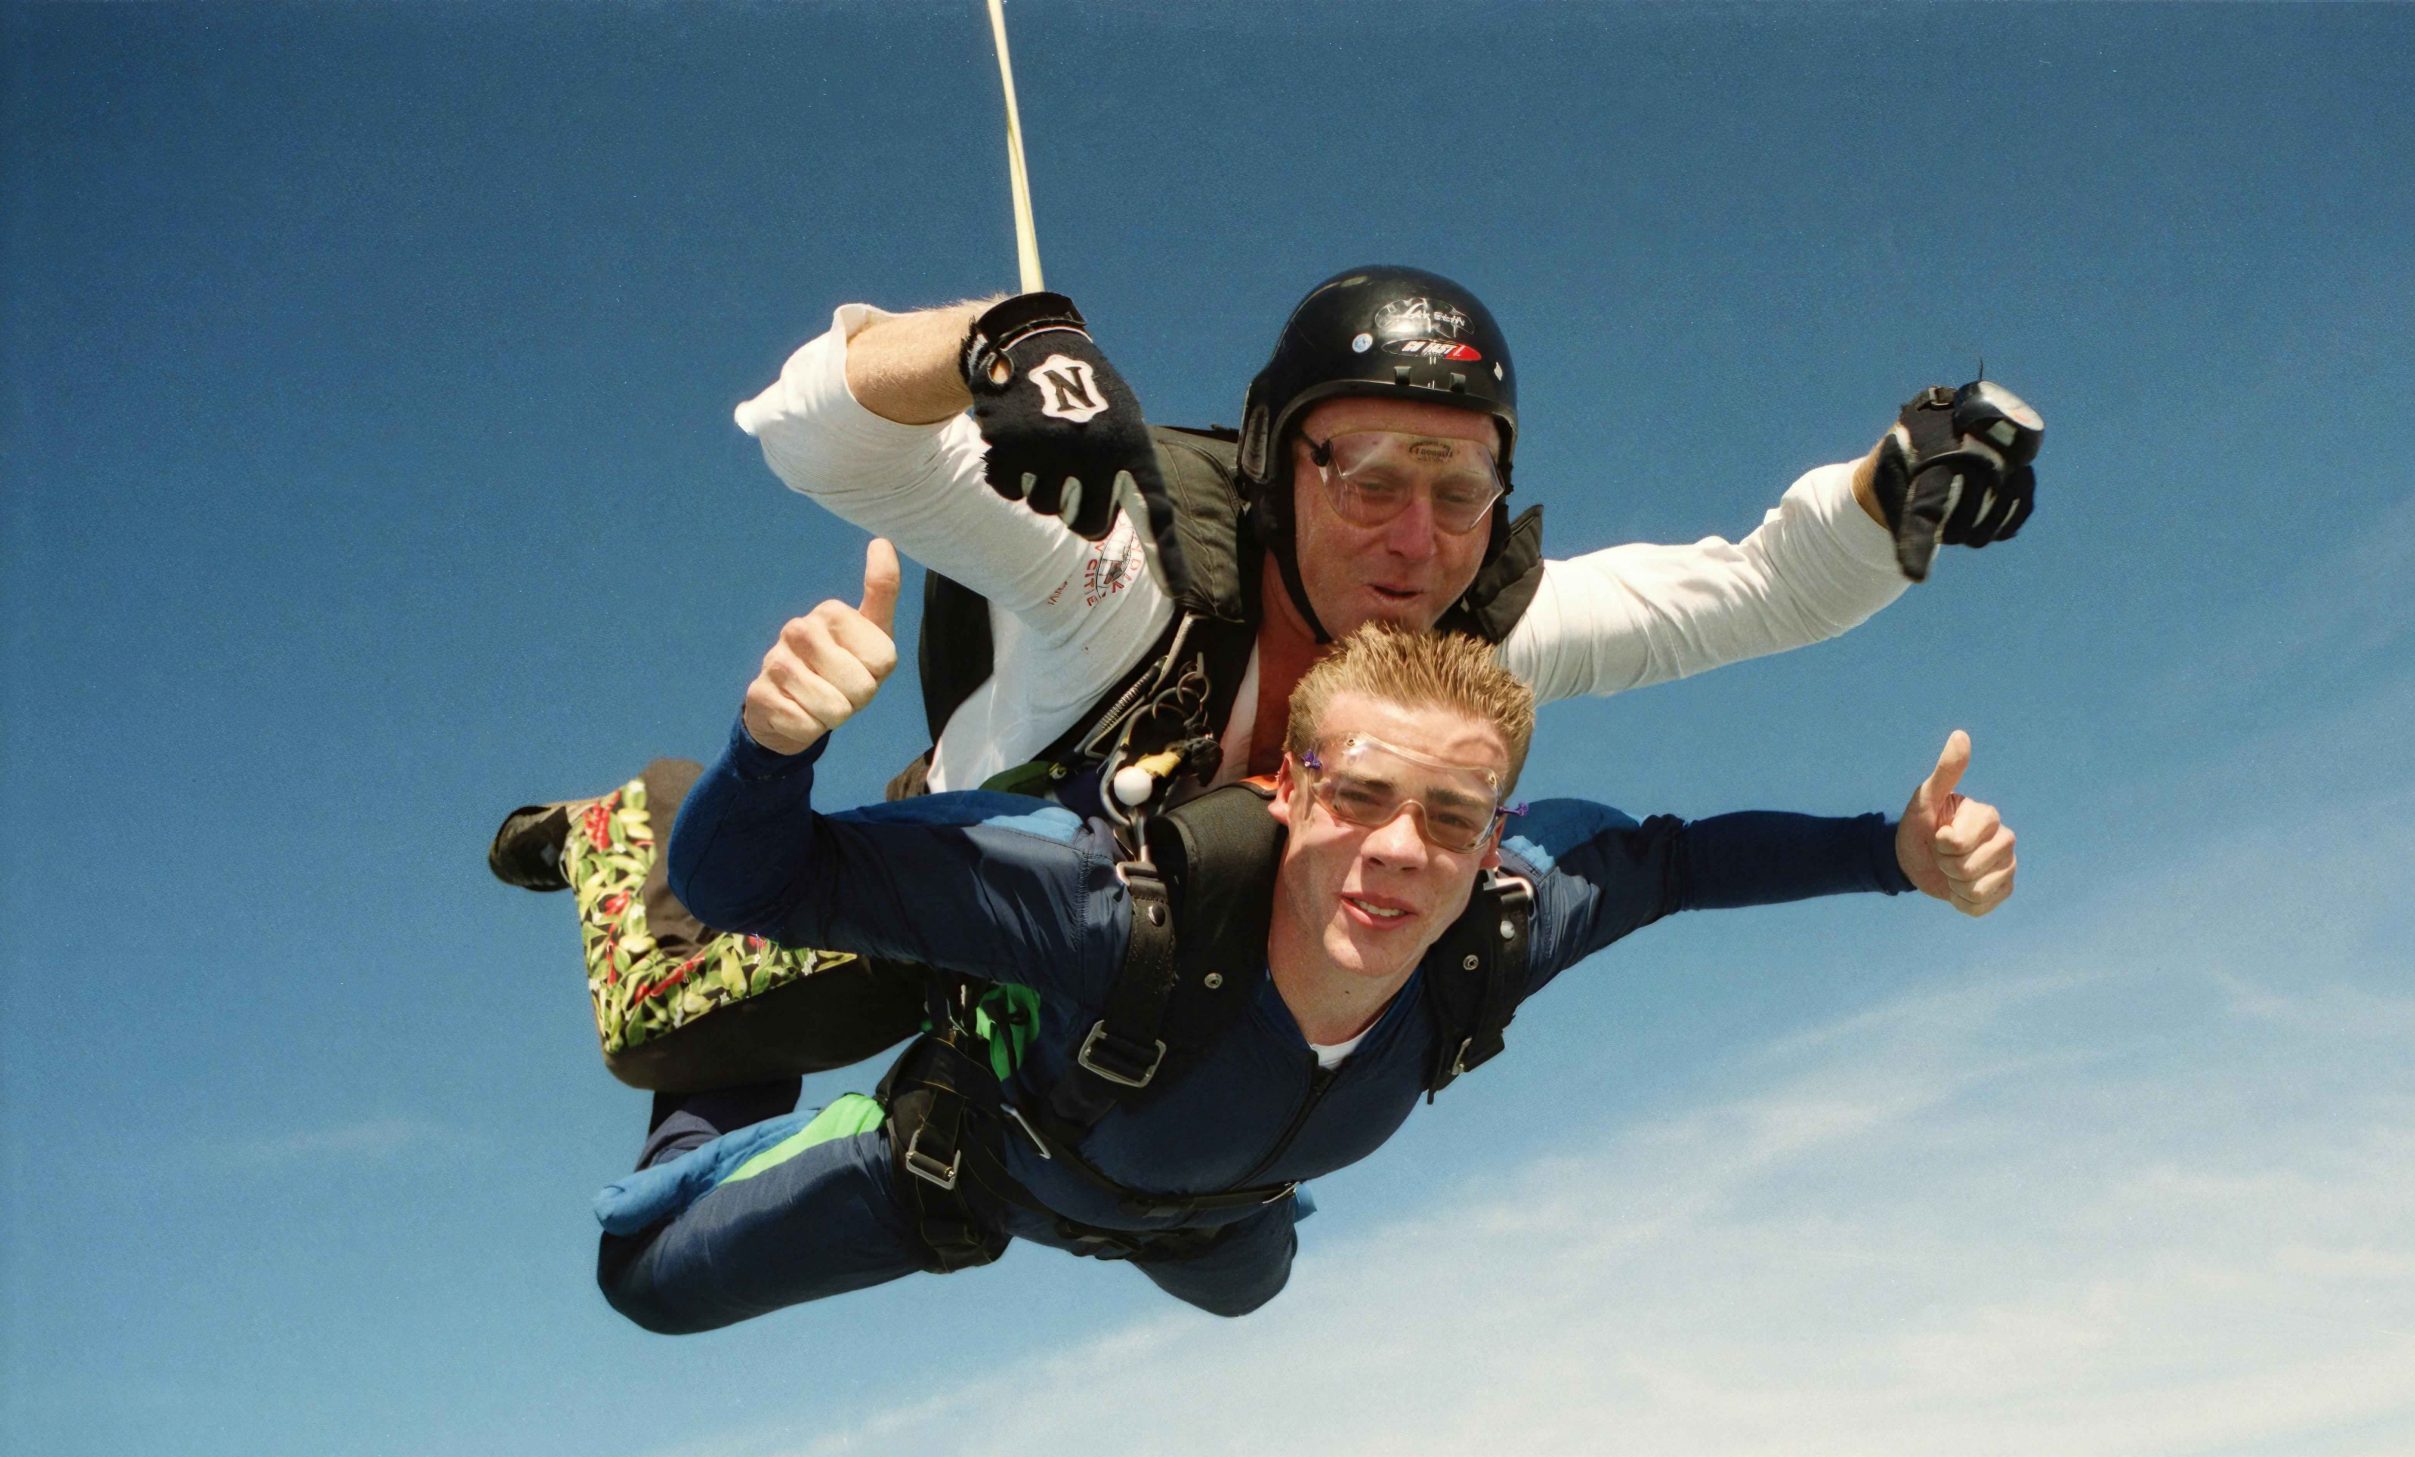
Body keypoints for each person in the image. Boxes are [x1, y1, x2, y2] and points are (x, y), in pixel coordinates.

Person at [497, 265, 2040, 1093]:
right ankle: (621, 820)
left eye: (1461, 483)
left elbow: (1751, 593)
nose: (1416, 535)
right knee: (677, 1030)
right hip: (962, 879)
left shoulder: (1474, 645)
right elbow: (812, 432)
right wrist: (994, 342)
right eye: (1365, 470)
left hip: (1145, 949)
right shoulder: (1117, 565)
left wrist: (1889, 485)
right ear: (1268, 460)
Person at [592, 561, 2017, 1331]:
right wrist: (772, 744)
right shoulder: (1110, 909)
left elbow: (1687, 859)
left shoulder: (1503, 924)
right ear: (1286, 791)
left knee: (1244, 1291)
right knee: (647, 1279)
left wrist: (1890, 858)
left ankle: (1212, 1203)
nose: (1401, 852)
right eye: (1358, 798)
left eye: (1452, 819)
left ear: (1496, 829)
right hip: (975, 1170)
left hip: (1220, 1211)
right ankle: (704, 1020)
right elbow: (750, 877)